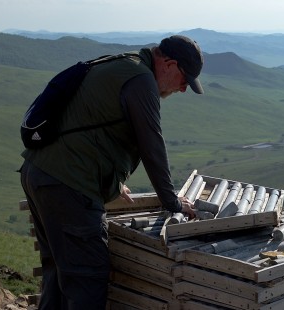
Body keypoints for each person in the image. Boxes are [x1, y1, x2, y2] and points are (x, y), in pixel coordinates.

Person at [19, 35, 203, 309]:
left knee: (58, 275)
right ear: (169, 64)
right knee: (88, 279)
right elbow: (151, 146)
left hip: (41, 174)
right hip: (68, 185)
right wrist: (172, 202)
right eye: (184, 79)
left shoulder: (123, 64)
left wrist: (112, 182)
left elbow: (91, 129)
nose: (183, 88)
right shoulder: (141, 81)